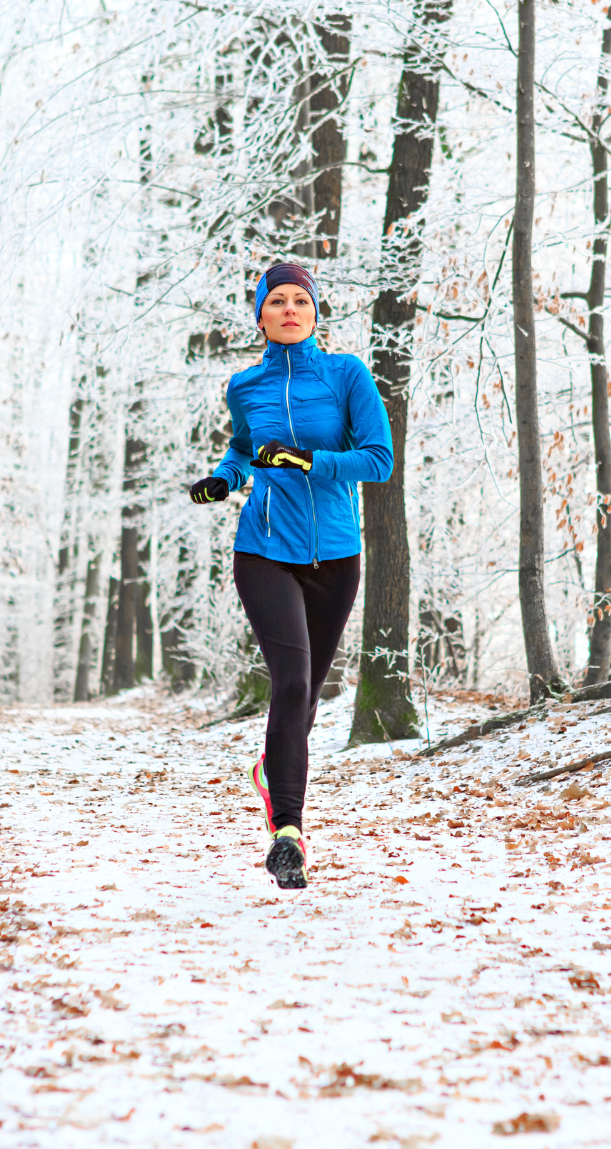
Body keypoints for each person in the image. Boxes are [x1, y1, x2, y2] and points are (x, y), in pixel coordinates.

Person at [189, 263, 393, 889]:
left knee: (304, 700)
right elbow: (243, 448)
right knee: (292, 682)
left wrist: (309, 460)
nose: (289, 309)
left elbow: (378, 460)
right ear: (260, 316)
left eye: (300, 300)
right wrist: (225, 479)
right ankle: (288, 834)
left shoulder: (346, 375)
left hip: (335, 555)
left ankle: (272, 770)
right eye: (276, 301)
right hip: (264, 550)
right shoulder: (244, 385)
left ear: (315, 314)